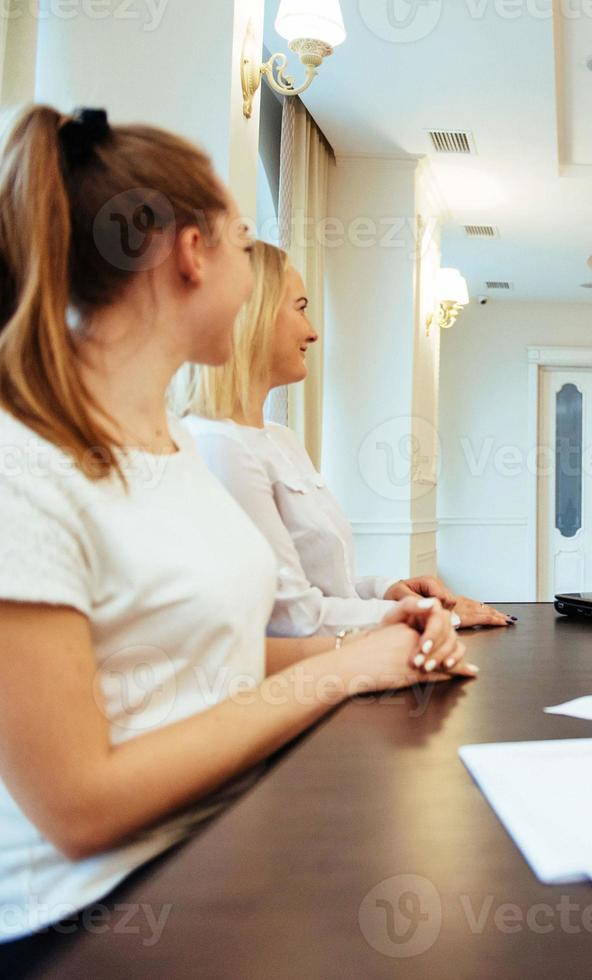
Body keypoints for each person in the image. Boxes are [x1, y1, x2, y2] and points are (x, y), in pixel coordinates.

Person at [0, 106, 472, 943]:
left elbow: (201, 650)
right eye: (243, 240)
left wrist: (366, 644)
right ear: (191, 253)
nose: (255, 279)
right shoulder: (22, 468)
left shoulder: (169, 439)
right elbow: (78, 805)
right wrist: (341, 673)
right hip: (90, 919)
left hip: (220, 841)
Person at [174, 242, 514, 637]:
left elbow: (325, 586)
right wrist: (435, 619)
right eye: (300, 307)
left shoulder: (281, 439)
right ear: (254, 316)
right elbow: (291, 617)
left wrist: (388, 591)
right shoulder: (221, 446)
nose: (313, 331)